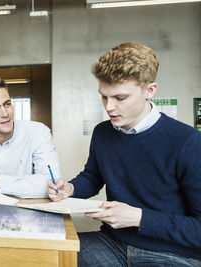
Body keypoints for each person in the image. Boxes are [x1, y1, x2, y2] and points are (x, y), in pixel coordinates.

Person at [48, 42, 201, 266]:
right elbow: (92, 178)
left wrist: (139, 218)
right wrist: (70, 188)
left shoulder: (188, 142)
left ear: (150, 91)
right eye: (104, 97)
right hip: (112, 243)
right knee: (51, 255)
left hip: (172, 254)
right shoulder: (102, 132)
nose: (109, 107)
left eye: (120, 98)